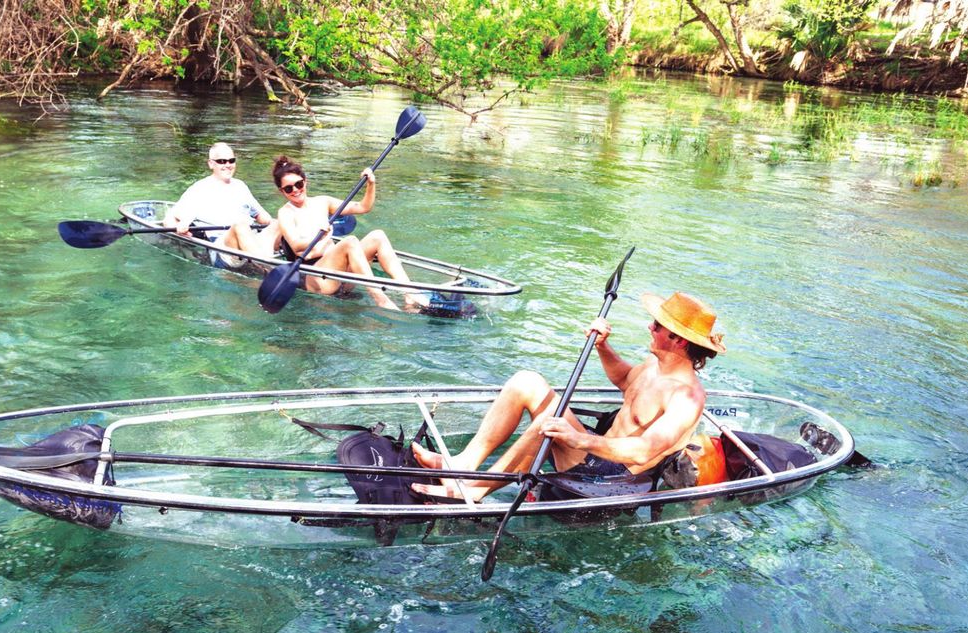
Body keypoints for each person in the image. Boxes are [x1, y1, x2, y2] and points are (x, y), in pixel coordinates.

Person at [410, 292, 727, 502]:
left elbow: (645, 450)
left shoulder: (687, 398)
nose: (650, 326)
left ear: (679, 340)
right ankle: (464, 463)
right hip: (596, 451)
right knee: (527, 382)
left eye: (657, 325)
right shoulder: (654, 365)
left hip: (612, 475)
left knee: (548, 424)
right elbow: (623, 380)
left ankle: (471, 490)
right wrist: (603, 346)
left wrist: (581, 441)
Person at [270, 155, 426, 312]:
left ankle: (410, 293)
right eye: (289, 188)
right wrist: (320, 236)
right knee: (350, 241)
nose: (296, 190)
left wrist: (371, 184)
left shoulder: (322, 201)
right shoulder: (285, 213)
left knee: (377, 236)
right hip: (316, 279)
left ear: (305, 181)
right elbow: (296, 246)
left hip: (341, 274)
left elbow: (363, 207)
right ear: (282, 191)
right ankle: (381, 299)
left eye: (298, 184)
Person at [166, 142, 278, 266]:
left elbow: (265, 219)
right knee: (239, 226)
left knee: (279, 222)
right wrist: (181, 228)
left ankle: (290, 261)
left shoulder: (240, 186)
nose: (228, 165)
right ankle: (268, 267)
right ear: (211, 164)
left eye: (231, 161)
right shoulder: (200, 188)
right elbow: (169, 218)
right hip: (223, 247)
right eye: (222, 161)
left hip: (251, 238)